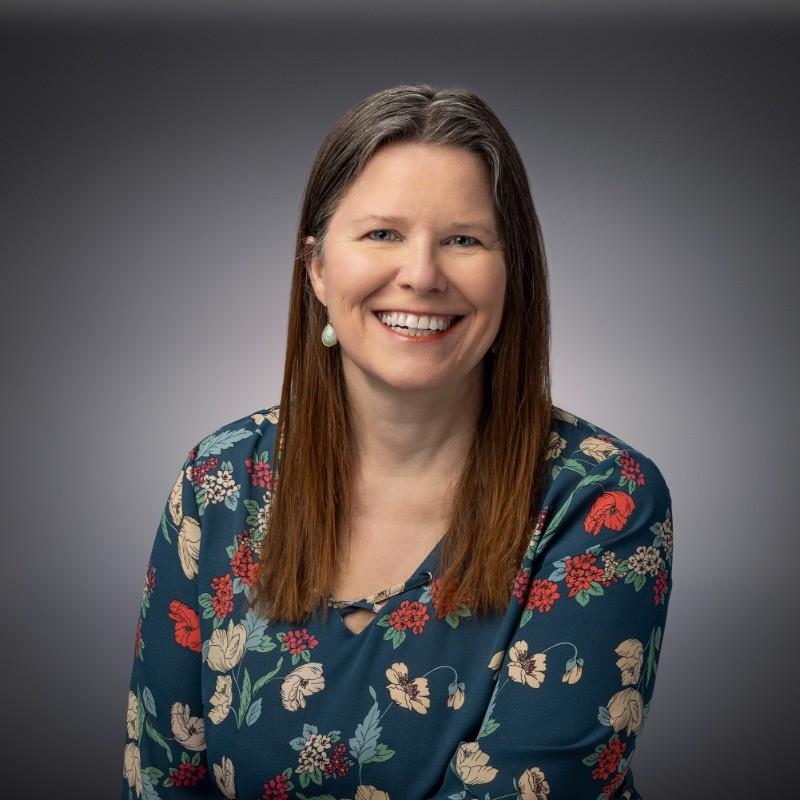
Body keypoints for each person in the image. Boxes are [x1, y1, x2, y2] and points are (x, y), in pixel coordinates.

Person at [122, 85, 673, 800]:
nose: (421, 274)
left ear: (514, 274)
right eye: (382, 233)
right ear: (318, 268)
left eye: (463, 239)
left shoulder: (602, 500)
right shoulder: (219, 482)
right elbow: (163, 777)